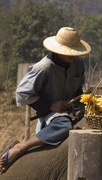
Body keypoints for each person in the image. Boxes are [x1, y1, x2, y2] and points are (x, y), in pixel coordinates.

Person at [0, 27, 91, 172]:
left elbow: (78, 88)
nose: (72, 56)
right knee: (64, 125)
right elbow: (22, 94)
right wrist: (50, 105)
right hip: (52, 115)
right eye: (69, 53)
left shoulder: (78, 63)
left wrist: (82, 103)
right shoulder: (43, 67)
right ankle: (21, 147)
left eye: (75, 52)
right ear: (58, 50)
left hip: (71, 110)